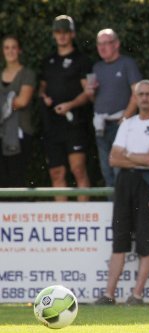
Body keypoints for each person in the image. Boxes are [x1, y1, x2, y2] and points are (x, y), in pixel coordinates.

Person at [94, 79, 149, 305]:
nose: (144, 98)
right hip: (124, 182)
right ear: (135, 98)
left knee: (145, 239)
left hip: (148, 183)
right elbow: (113, 158)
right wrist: (140, 158)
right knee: (119, 239)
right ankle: (109, 295)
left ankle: (136, 295)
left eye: (148, 94)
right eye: (141, 94)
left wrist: (129, 156)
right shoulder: (126, 124)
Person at [39, 15, 92, 201]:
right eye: (58, 32)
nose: (62, 36)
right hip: (52, 125)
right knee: (56, 173)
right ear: (54, 35)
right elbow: (42, 87)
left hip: (75, 122)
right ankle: (63, 219)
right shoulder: (47, 61)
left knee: (78, 169)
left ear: (72, 34)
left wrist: (70, 104)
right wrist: (43, 96)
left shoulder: (82, 60)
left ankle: (85, 218)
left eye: (65, 32)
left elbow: (89, 92)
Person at [85, 28, 142, 187]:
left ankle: (124, 210)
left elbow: (137, 93)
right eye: (99, 44)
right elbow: (95, 99)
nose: (102, 48)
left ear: (116, 44)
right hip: (101, 126)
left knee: (121, 171)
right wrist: (90, 93)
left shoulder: (127, 63)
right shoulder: (97, 67)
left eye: (106, 43)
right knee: (106, 170)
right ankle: (113, 208)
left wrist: (125, 119)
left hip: (121, 125)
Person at [0, 35, 36, 188]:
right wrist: (8, 102)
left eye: (14, 47)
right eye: (7, 47)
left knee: (17, 179)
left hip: (20, 134)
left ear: (19, 50)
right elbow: (13, 102)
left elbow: (22, 101)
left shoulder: (27, 74)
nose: (10, 51)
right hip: (1, 134)